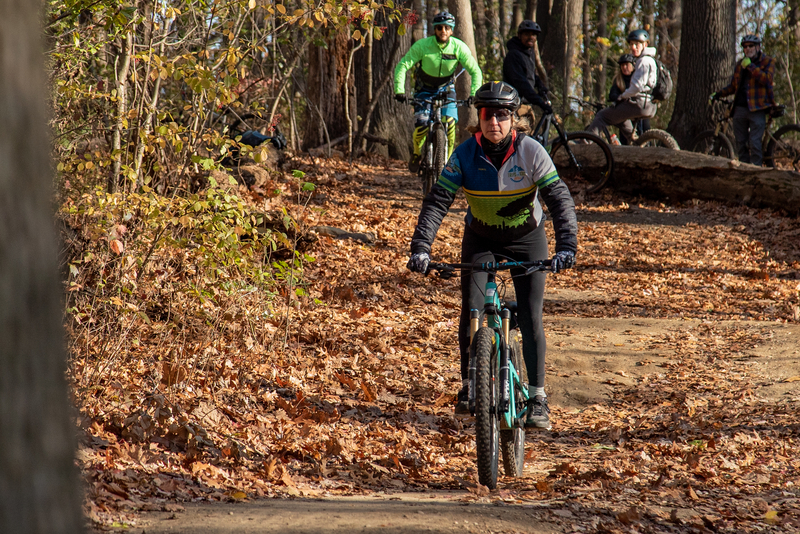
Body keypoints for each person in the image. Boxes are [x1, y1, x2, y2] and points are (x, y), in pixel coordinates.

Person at [405, 81, 577, 430]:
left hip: (527, 239)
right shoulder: (465, 154)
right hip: (480, 239)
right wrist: (421, 247)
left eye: (501, 115)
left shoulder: (532, 151)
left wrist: (567, 246)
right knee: (471, 306)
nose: (494, 122)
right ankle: (470, 384)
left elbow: (559, 200)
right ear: (478, 118)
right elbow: (438, 201)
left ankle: (538, 397)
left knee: (529, 315)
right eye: (487, 115)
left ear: (513, 119)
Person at [394, 11, 483, 173]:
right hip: (424, 89)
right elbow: (403, 65)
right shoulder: (422, 46)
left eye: (447, 28)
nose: (443, 31)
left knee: (449, 122)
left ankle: (446, 162)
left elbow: (475, 71)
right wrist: (399, 90)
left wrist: (473, 94)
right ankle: (416, 153)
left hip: (446, 89)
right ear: (434, 29)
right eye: (440, 27)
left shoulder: (458, 47)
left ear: (452, 30)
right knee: (421, 125)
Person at [710, 34, 775, 166]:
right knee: (741, 144)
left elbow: (767, 80)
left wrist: (751, 67)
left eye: (751, 46)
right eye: (745, 47)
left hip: (757, 108)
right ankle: (744, 171)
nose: (748, 49)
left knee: (755, 144)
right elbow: (734, 86)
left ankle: (756, 172)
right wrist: (718, 94)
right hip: (739, 109)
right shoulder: (740, 64)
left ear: (757, 47)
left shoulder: (767, 62)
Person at [587, 29, 657, 144]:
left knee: (602, 115)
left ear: (645, 44)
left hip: (638, 103)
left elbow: (637, 87)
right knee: (620, 118)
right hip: (648, 104)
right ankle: (636, 143)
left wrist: (622, 96)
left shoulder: (643, 61)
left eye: (637, 44)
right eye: (631, 45)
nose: (633, 47)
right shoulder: (651, 60)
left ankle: (585, 144)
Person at [502, 20, 552, 118]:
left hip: (526, 104)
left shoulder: (529, 53)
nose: (531, 37)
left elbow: (530, 74)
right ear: (519, 35)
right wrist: (539, 101)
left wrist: (540, 85)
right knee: (522, 133)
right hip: (515, 105)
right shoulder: (514, 55)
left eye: (534, 35)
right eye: (527, 34)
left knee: (531, 132)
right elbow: (521, 83)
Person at [608, 54, 649, 145]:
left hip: (639, 112)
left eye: (627, 65)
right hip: (626, 113)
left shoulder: (637, 78)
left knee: (645, 133)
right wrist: (619, 97)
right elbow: (612, 94)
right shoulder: (618, 80)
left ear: (633, 65)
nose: (624, 67)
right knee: (625, 138)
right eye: (622, 65)